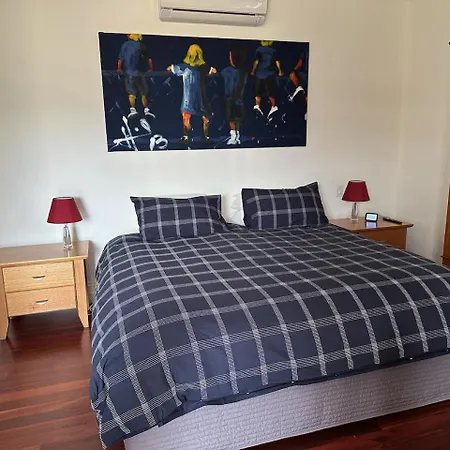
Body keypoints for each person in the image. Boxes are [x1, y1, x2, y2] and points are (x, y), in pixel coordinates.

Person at [167, 44, 216, 144]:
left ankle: (186, 136)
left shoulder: (183, 67)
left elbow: (170, 69)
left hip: (188, 97)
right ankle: (205, 137)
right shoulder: (204, 68)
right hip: (201, 97)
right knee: (205, 116)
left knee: (186, 116)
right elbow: (214, 71)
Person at [117, 34, 154, 118]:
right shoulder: (141, 45)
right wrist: (151, 68)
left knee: (131, 93)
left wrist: (119, 68)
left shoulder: (125, 45)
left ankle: (133, 110)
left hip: (129, 72)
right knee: (143, 93)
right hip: (140, 73)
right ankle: (146, 110)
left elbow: (120, 58)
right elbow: (149, 58)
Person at [221, 45, 248, 145]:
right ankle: (235, 135)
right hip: (236, 99)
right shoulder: (242, 72)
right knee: (235, 118)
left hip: (233, 99)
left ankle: (235, 136)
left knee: (233, 118)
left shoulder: (227, 71)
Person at [250, 40, 283, 117]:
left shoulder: (259, 50)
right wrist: (280, 71)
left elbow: (256, 61)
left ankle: (257, 106)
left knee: (258, 91)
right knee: (270, 91)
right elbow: (277, 62)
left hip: (260, 73)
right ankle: (273, 107)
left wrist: (253, 71)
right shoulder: (273, 51)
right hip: (269, 73)